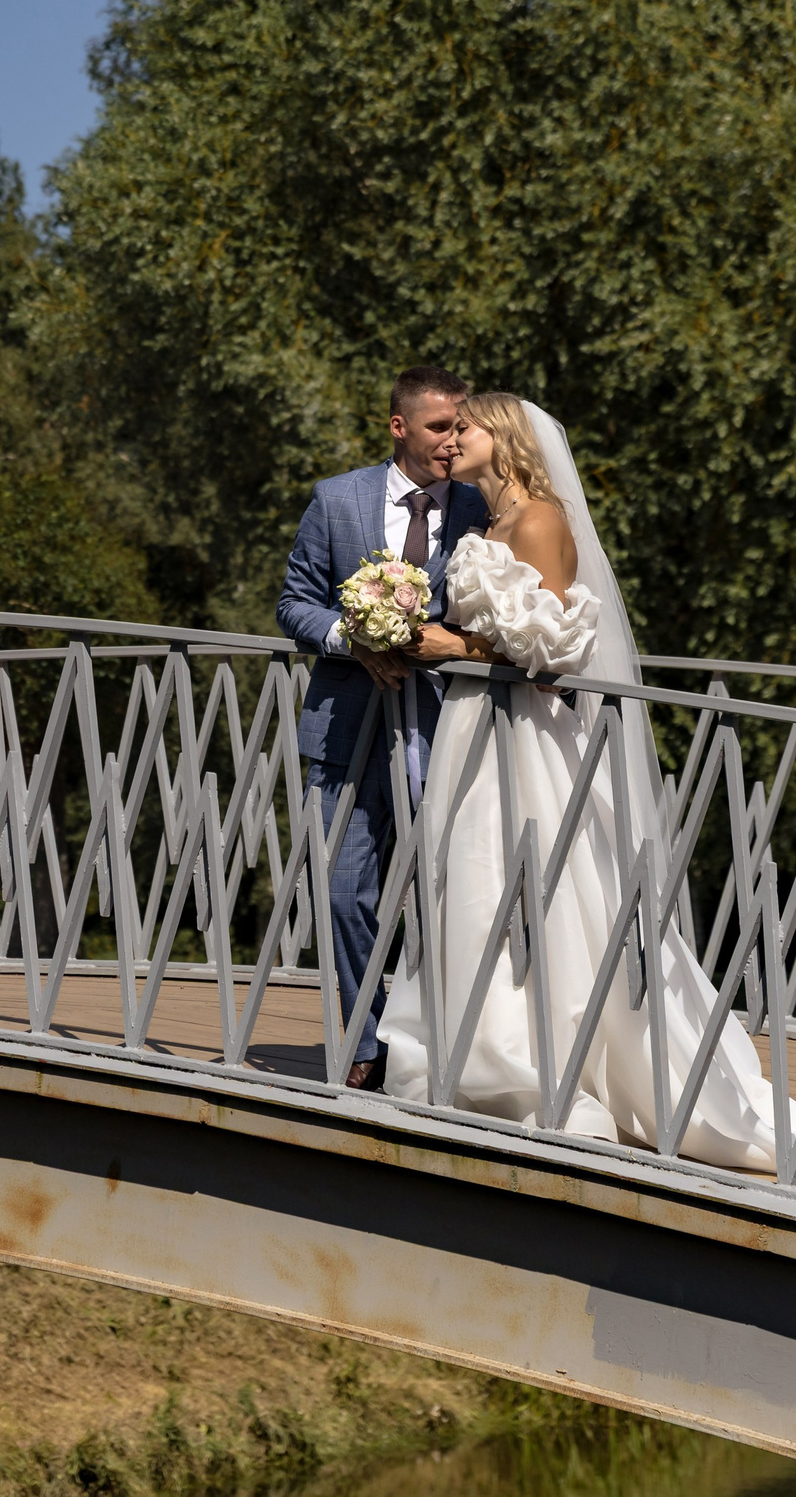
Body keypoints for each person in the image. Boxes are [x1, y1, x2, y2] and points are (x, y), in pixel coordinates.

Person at [376, 393, 796, 1192]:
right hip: (476, 723)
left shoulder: (540, 520)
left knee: (543, 888)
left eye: (467, 425)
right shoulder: (483, 528)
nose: (453, 437)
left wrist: (451, 643)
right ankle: (474, 1052)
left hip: (526, 729)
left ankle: (544, 1066)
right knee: (469, 884)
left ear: (502, 438)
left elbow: (557, 647)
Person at [275, 366, 490, 1088]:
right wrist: (350, 636)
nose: (452, 442)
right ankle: (366, 1040)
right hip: (346, 728)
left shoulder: (485, 507)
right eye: (439, 427)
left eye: (461, 426)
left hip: (453, 729)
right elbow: (294, 603)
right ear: (399, 426)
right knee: (343, 889)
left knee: (449, 896)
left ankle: (443, 1049)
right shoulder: (337, 501)